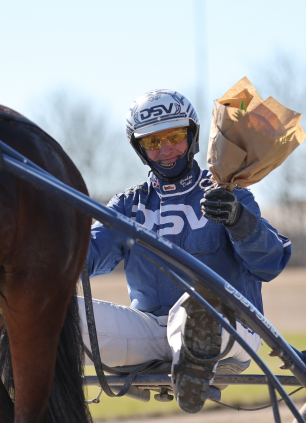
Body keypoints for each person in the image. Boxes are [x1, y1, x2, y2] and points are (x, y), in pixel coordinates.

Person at [82, 89, 291, 413]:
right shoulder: (126, 205)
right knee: (50, 310)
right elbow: (86, 260)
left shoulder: (229, 192)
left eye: (175, 136)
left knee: (196, 306)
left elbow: (270, 264)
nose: (166, 150)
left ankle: (193, 359)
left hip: (226, 328)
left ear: (192, 136)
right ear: (140, 149)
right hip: (151, 335)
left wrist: (239, 220)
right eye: (152, 143)